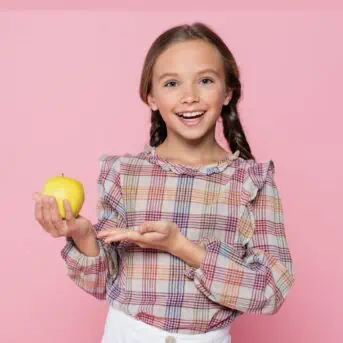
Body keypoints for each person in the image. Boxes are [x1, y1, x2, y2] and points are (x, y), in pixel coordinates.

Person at [32, 22, 295, 343]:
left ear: (227, 92)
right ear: (151, 97)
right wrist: (84, 237)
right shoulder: (123, 173)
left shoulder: (252, 181)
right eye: (172, 83)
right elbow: (101, 283)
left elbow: (271, 290)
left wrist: (181, 247)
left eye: (205, 80)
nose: (189, 97)